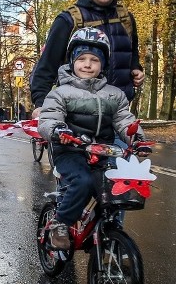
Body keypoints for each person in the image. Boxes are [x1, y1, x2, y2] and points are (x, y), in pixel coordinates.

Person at [37, 27, 146, 250]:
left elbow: (125, 121)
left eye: (94, 60)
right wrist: (59, 131)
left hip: (103, 150)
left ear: (102, 64)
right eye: (82, 59)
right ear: (72, 62)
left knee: (116, 185)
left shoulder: (114, 94)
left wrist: (137, 140)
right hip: (70, 150)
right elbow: (48, 118)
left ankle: (108, 230)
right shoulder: (60, 93)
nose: (87, 64)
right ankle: (61, 223)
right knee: (83, 182)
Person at [30, 0, 145, 119]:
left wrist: (136, 68)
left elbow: (132, 53)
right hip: (76, 117)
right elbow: (46, 67)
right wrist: (40, 104)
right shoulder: (68, 20)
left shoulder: (126, 19)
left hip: (117, 115)